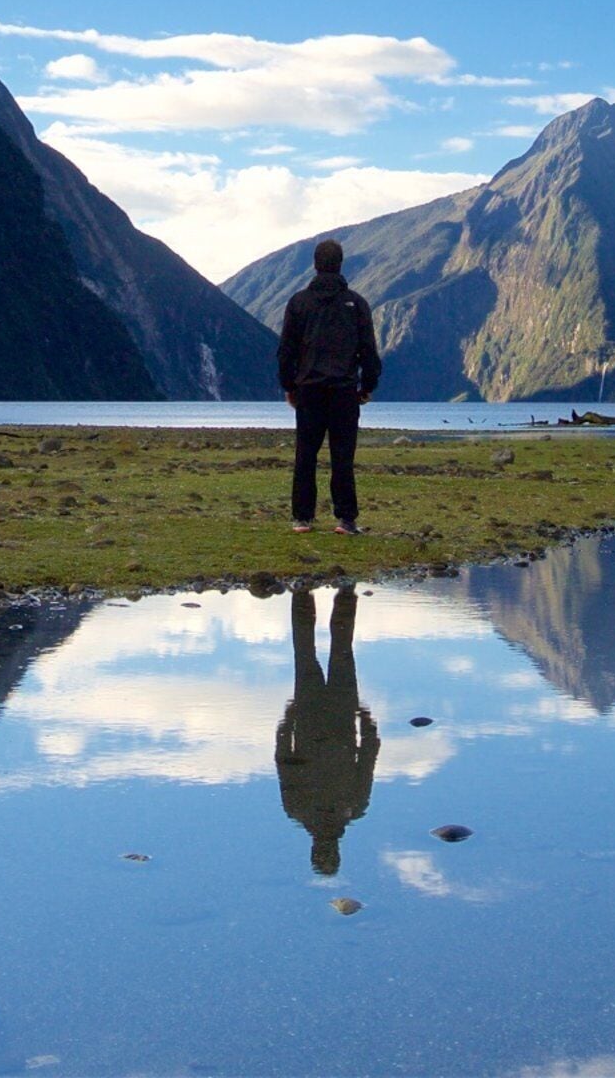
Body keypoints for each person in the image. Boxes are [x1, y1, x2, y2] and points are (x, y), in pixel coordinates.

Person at [275, 237, 382, 534]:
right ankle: (345, 519)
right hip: (344, 390)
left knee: (305, 455)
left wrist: (289, 385)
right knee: (343, 457)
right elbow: (368, 351)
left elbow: (287, 350)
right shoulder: (356, 304)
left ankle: (302, 518)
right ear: (340, 263)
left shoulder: (299, 303)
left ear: (315, 264)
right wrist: (367, 385)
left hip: (308, 389)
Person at [273, 582, 380, 876]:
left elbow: (284, 762)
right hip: (340, 719)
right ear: (337, 852)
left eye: (322, 854)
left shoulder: (297, 809)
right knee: (335, 652)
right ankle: (340, 592)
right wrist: (369, 729)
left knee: (308, 653)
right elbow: (366, 763)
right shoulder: (354, 807)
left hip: (311, 718)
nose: (325, 849)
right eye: (329, 855)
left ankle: (304, 592)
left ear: (313, 850)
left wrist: (285, 725)